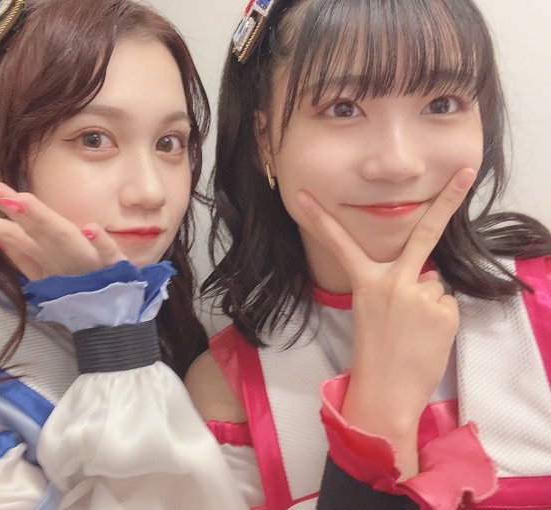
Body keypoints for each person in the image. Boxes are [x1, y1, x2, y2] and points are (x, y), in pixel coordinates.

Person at [0, 0, 248, 508]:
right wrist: (115, 344)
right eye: (94, 139)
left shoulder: (152, 312)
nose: (151, 191)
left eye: (169, 142)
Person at [185, 0, 551, 508]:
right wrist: (381, 410)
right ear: (264, 141)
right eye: (343, 108)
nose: (398, 163)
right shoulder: (230, 395)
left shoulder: (542, 301)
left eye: (441, 104)